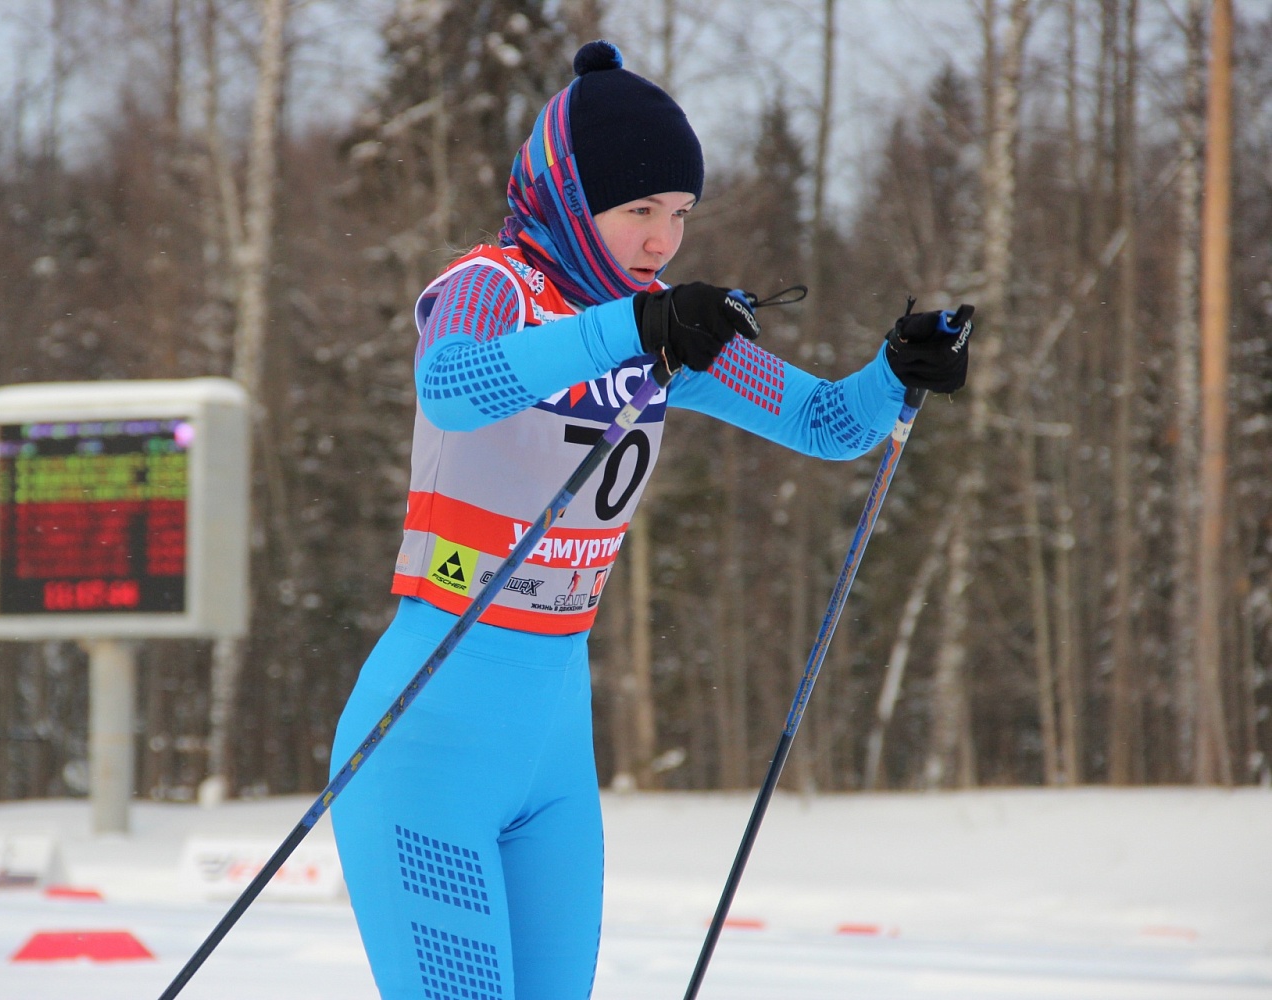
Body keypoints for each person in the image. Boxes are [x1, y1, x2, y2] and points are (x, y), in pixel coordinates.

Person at [329, 40, 971, 999]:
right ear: (569, 195)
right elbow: (454, 385)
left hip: (551, 751)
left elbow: (825, 423)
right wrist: (631, 328)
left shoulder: (664, 326)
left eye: (679, 215)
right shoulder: (495, 285)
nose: (663, 242)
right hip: (429, 740)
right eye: (640, 212)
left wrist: (896, 373)